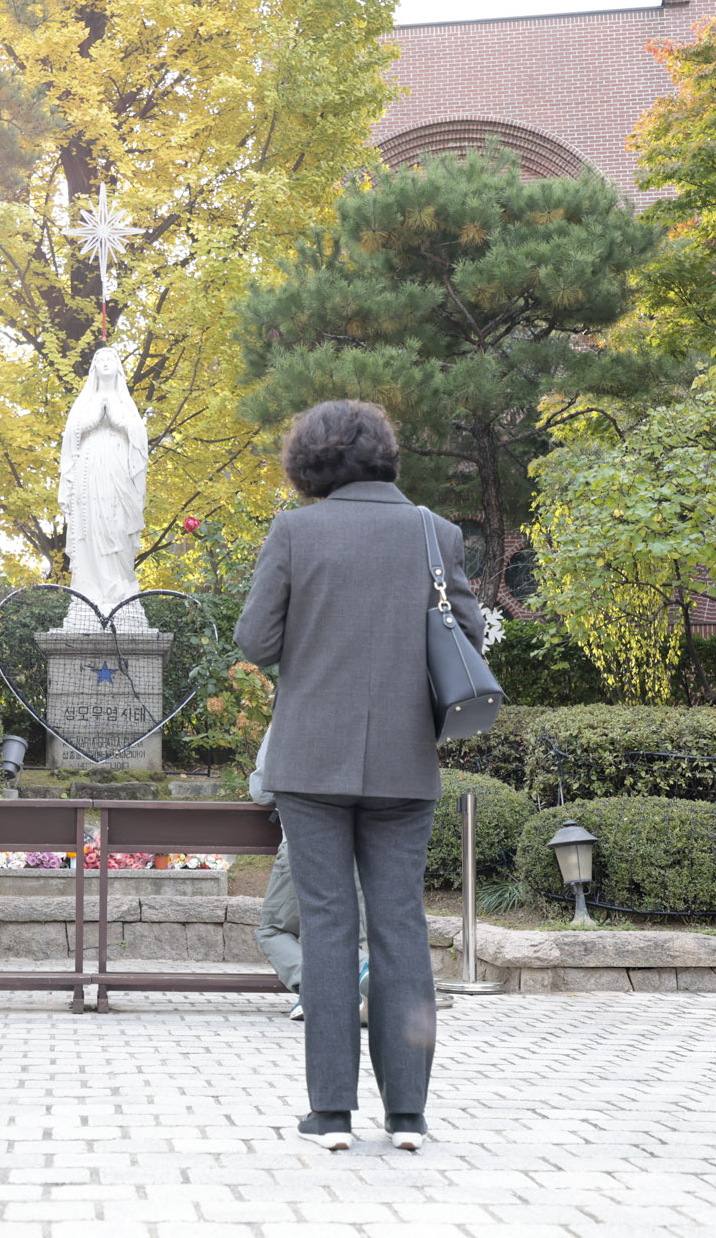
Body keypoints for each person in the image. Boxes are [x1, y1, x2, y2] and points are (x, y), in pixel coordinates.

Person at [234, 400, 485, 1153]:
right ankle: (407, 1115)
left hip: (310, 758)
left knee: (329, 928)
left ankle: (331, 1115)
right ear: (383, 454)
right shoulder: (434, 533)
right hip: (406, 762)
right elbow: (467, 636)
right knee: (402, 926)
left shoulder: (296, 531)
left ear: (309, 461)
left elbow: (255, 637)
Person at [250, 729, 371, 1023]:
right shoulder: (363, 710)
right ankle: (366, 970)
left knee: (273, 930)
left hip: (303, 841)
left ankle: (313, 990)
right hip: (357, 843)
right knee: (349, 934)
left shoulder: (291, 712)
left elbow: (263, 789)